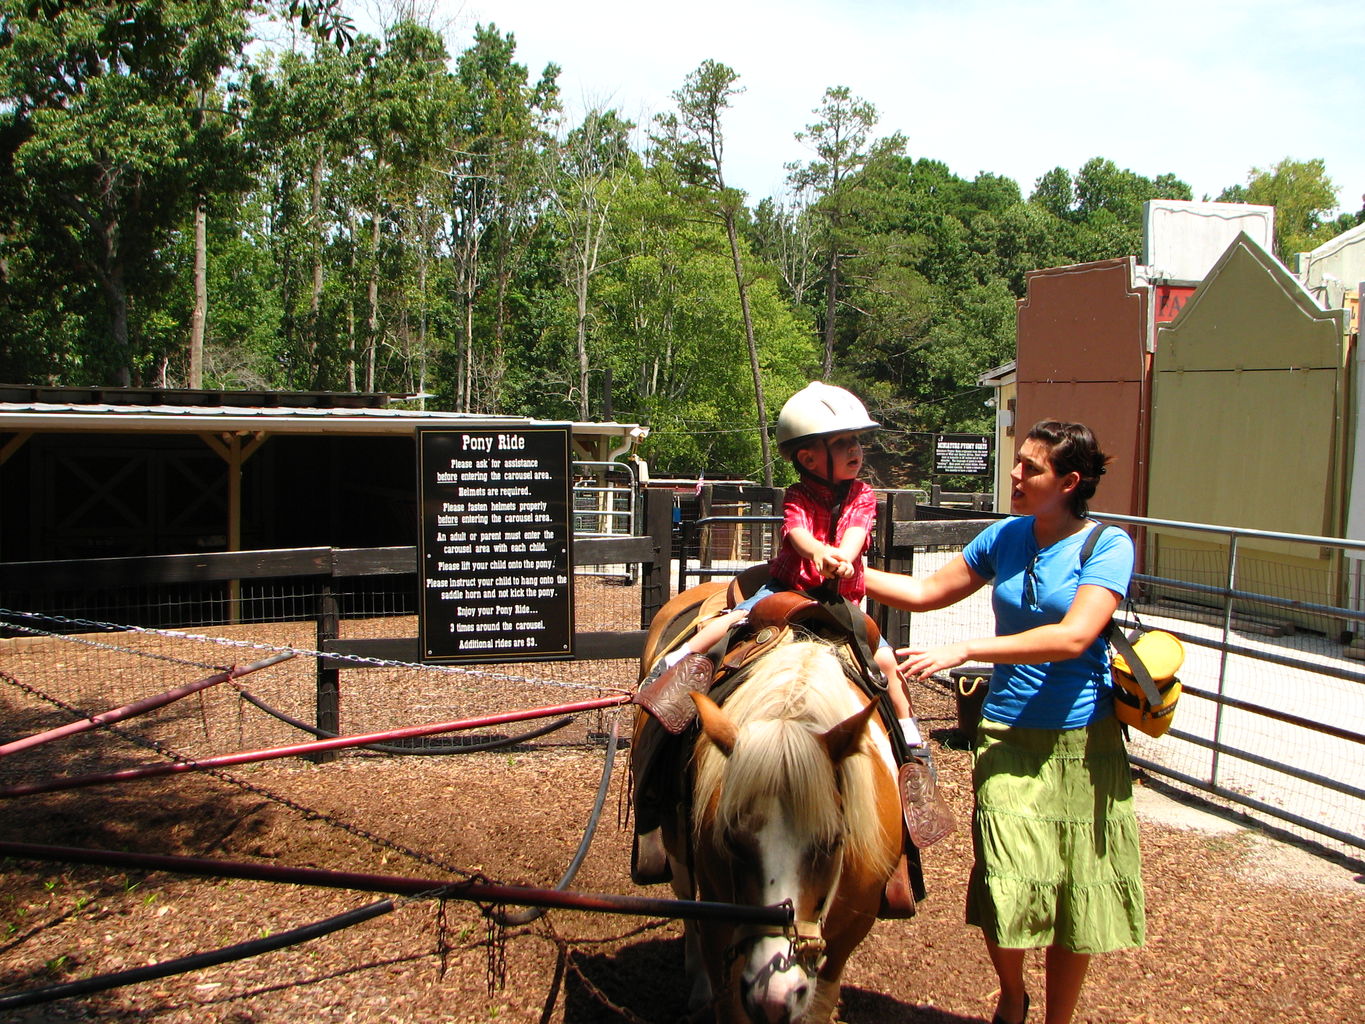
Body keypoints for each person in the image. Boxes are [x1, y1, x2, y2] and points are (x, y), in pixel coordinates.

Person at [863, 420, 1142, 1024]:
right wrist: (843, 574)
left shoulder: (1107, 546)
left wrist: (968, 649)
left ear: (1069, 482)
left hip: (1081, 742)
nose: (1015, 476)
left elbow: (1074, 637)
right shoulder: (1006, 537)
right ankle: (1013, 994)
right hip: (1005, 734)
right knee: (1004, 874)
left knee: (1076, 890)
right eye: (1017, 463)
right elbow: (924, 589)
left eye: (1031, 469)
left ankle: (1057, 1020)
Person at [644, 382, 952, 834]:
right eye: (842, 443)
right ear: (809, 459)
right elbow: (796, 533)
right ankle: (671, 667)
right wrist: (816, 553)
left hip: (838, 598)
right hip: (790, 586)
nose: (855, 450)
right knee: (730, 623)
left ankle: (911, 743)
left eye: (856, 442)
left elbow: (856, 532)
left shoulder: (863, 494)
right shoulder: (797, 493)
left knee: (885, 661)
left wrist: (843, 556)